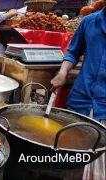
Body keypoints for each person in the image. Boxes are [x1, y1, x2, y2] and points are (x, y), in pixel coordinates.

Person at [51, 3, 105, 179]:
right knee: (72, 154)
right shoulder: (89, 22)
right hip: (81, 98)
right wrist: (62, 72)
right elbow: (73, 52)